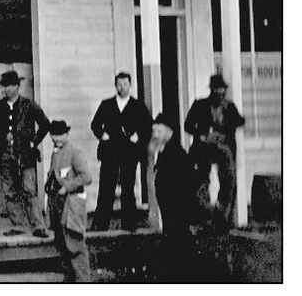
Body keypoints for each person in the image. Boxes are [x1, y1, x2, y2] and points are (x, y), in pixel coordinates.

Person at [0, 70, 50, 237]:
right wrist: (0, 142)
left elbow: (45, 124)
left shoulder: (28, 105)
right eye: (4, 86)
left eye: (11, 85)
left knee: (29, 190)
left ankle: (38, 226)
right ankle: (18, 225)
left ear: (17, 86)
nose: (7, 89)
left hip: (26, 156)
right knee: (10, 191)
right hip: (5, 156)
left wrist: (33, 142)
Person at [89, 71, 151, 231]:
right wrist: (102, 135)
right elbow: (95, 124)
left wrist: (138, 137)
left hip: (129, 152)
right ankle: (101, 225)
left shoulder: (138, 106)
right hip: (110, 151)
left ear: (130, 85)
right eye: (119, 84)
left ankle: (129, 224)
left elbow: (147, 127)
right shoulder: (107, 104)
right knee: (106, 187)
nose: (122, 87)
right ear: (115, 85)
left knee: (128, 188)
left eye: (125, 84)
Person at [183, 74, 245, 227]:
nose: (219, 92)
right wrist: (201, 134)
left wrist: (225, 128)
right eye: (216, 89)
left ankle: (222, 214)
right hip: (203, 147)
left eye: (222, 89)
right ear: (211, 90)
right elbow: (188, 125)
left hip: (224, 147)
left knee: (229, 180)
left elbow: (240, 121)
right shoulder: (200, 105)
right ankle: (202, 214)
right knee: (200, 180)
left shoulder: (229, 106)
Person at [149, 112, 197, 277]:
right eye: (154, 131)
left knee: (178, 244)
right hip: (169, 211)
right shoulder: (162, 152)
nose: (155, 135)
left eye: (159, 132)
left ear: (169, 133)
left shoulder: (176, 154)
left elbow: (187, 184)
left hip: (177, 210)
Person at [44, 120, 93, 282]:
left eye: (60, 134)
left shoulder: (74, 152)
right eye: (54, 135)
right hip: (57, 204)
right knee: (62, 244)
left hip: (71, 204)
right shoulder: (55, 152)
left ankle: (83, 281)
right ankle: (70, 279)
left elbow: (86, 177)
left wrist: (68, 187)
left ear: (67, 134)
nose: (57, 138)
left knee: (75, 244)